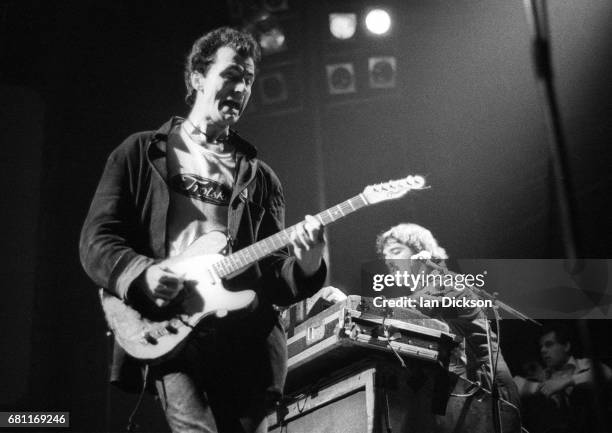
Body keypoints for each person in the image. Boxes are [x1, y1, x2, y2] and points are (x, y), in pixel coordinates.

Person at [79, 27, 327, 433]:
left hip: (247, 340)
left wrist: (308, 261)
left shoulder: (261, 178)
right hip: (172, 329)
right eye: (231, 75)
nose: (241, 88)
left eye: (247, 80)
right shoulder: (141, 153)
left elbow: (276, 276)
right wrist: (142, 272)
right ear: (197, 77)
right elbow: (96, 239)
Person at [376, 223, 521, 433]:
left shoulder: (448, 281)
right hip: (464, 385)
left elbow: (418, 305)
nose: (389, 260)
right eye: (386, 257)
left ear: (420, 253)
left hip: (489, 383)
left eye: (396, 251)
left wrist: (355, 303)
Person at [514, 324, 612, 433]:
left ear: (566, 346)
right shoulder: (542, 375)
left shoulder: (584, 364)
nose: (543, 350)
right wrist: (542, 387)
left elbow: (607, 373)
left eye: (549, 345)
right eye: (541, 347)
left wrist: (568, 381)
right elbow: (512, 386)